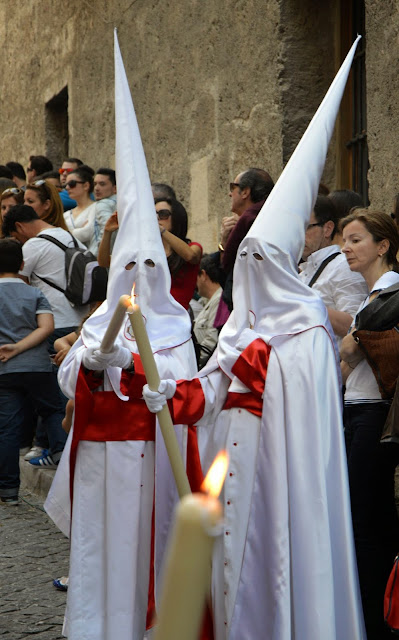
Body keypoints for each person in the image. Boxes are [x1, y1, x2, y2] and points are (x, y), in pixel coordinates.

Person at [144, 38, 365, 640]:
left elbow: (301, 409)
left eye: (266, 259)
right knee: (231, 571)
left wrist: (257, 369)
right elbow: (207, 392)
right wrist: (169, 393)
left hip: (278, 471)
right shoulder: (243, 327)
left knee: (277, 561)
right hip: (232, 461)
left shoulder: (308, 326)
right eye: (250, 260)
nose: (255, 269)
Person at [44, 33, 199, 640]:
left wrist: (158, 388)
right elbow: (67, 381)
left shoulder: (176, 323)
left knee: (152, 561)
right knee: (103, 558)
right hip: (105, 461)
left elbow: (184, 387)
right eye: (127, 269)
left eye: (148, 268)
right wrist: (93, 358)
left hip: (157, 461)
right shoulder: (98, 316)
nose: (137, 278)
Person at [340, 209, 399, 640]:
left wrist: (353, 340)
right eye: (344, 239)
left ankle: (375, 622)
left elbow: (352, 348)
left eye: (356, 239)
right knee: (373, 516)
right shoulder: (370, 295)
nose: (346, 247)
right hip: (361, 411)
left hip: (373, 413)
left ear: (383, 246)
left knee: (366, 521)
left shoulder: (390, 289)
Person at [0, 239, 66, 497]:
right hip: (37, 366)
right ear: (22, 264)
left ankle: (7, 490)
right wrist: (21, 347)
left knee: (7, 428)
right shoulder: (35, 294)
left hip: (4, 369)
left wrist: (11, 349)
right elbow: (47, 327)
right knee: (51, 410)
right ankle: (62, 461)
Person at [2, 204, 89, 352]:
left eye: (17, 238)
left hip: (55, 322)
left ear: (19, 226)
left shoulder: (33, 245)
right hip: (81, 323)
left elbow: (18, 285)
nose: (20, 242)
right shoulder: (70, 237)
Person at [299, 194, 368, 345]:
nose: (298, 235)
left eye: (305, 227)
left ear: (327, 228)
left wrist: (302, 302)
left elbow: (356, 327)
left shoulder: (343, 266)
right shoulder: (306, 269)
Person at [219, 167, 274, 310]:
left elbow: (229, 265)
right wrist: (225, 240)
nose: (229, 194)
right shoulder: (265, 215)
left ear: (245, 192)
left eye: (233, 187)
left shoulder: (251, 220)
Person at [155, 197, 202, 309]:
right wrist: (108, 232)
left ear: (176, 218)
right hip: (152, 317)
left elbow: (190, 255)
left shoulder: (193, 247)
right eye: (154, 214)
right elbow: (107, 262)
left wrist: (161, 230)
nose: (157, 218)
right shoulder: (151, 252)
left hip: (178, 318)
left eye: (163, 214)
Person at [193, 253, 223, 368]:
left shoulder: (219, 301)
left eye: (197, 276)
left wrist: (195, 364)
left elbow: (211, 340)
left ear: (204, 275)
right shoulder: (208, 301)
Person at [63, 165, 97, 249]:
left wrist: (68, 233)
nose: (67, 188)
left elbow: (88, 232)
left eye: (72, 184)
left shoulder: (96, 208)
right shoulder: (66, 215)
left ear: (86, 185)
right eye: (66, 185)